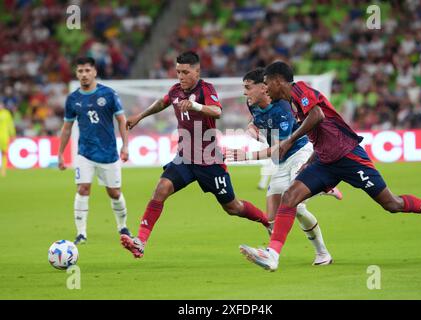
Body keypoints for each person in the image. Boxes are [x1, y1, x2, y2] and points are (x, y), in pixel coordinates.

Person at [239, 61, 421, 271]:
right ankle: (272, 255)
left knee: (392, 204)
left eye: (267, 83)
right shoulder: (290, 104)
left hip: (349, 156)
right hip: (324, 161)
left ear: (278, 81)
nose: (265, 88)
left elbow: (318, 115)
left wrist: (289, 140)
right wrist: (311, 161)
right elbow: (320, 134)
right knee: (290, 196)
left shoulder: (300, 90)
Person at [120, 51, 271, 259]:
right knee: (161, 189)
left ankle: (266, 221)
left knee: (233, 207)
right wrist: (141, 115)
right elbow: (162, 102)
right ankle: (141, 242)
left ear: (197, 72)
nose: (180, 76)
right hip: (184, 158)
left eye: (185, 72)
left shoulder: (205, 89)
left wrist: (195, 105)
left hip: (209, 161)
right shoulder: (175, 90)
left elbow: (217, 111)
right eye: (178, 72)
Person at [228, 68, 344, 265]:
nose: (244, 92)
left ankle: (323, 186)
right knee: (274, 219)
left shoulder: (282, 108)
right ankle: (323, 255)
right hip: (282, 164)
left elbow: (279, 148)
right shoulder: (252, 104)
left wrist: (246, 156)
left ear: (263, 88)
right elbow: (256, 120)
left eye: (248, 87)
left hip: (300, 154)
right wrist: (252, 128)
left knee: (294, 201)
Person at [58, 57, 131, 245]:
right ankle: (81, 233)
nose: (83, 74)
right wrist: (60, 153)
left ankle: (122, 226)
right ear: (76, 74)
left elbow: (122, 121)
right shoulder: (73, 99)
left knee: (114, 193)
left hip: (108, 153)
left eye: (87, 71)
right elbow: (67, 127)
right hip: (85, 153)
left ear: (94, 72)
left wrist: (125, 145)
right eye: (80, 71)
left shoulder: (109, 94)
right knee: (83, 189)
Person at [0, 102, 16, 177]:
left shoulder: (6, 113)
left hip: (4, 137)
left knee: (4, 153)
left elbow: (10, 124)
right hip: (3, 136)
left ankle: (3, 170)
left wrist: (12, 134)